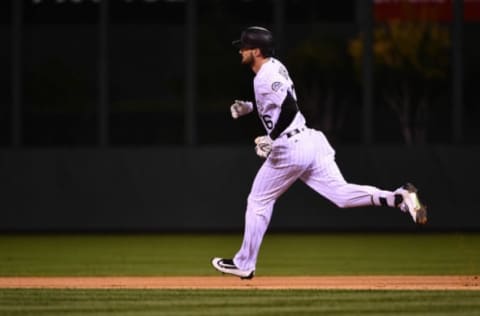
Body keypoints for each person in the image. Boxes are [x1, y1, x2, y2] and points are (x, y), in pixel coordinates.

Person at [211, 26, 427, 280]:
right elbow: (279, 103)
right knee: (342, 195)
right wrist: (249, 107)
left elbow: (289, 108)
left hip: (290, 147)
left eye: (244, 47)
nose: (241, 50)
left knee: (259, 201)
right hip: (310, 142)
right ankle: (398, 197)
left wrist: (272, 138)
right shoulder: (273, 67)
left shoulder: (266, 75)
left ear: (256, 51)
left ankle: (244, 263)